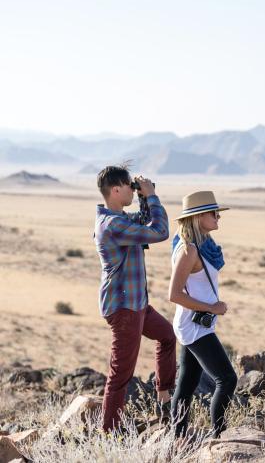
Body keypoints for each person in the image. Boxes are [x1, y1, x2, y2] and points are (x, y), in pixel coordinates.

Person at [94, 165, 176, 432]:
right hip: (124, 308)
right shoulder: (113, 225)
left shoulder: (119, 219)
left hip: (137, 303)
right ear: (116, 190)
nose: (132, 189)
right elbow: (159, 231)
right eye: (129, 186)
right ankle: (110, 434)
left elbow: (142, 220)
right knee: (121, 374)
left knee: (167, 336)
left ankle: (164, 398)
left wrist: (143, 197)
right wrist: (152, 196)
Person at [169, 191, 238, 438]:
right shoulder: (189, 250)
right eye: (213, 213)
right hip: (194, 325)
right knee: (227, 379)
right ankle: (219, 436)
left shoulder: (200, 246)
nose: (218, 216)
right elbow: (174, 294)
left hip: (195, 323)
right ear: (198, 217)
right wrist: (213, 308)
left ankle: (177, 438)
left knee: (187, 384)